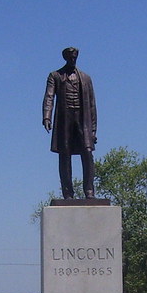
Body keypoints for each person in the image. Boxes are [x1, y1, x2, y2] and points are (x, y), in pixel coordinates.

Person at [42, 47, 97, 199]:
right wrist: (46, 117)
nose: (73, 60)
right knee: (64, 153)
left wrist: (93, 130)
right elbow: (49, 97)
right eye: (70, 57)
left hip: (82, 119)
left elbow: (92, 105)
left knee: (87, 152)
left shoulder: (85, 78)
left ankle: (89, 191)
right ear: (65, 58)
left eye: (75, 57)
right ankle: (68, 193)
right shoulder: (55, 76)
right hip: (64, 118)